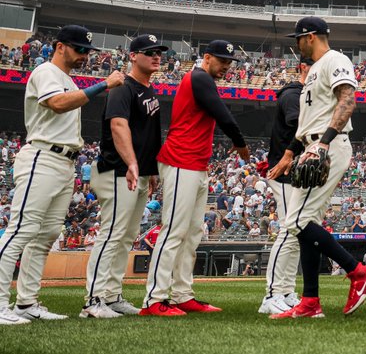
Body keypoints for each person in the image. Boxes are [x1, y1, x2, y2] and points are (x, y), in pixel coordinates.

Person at [0, 25, 123, 325]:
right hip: (42, 156)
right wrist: (103, 86)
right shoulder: (45, 71)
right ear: (60, 46)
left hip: (64, 161)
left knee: (44, 236)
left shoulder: (67, 79)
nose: (84, 55)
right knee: (21, 231)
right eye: (79, 49)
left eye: (86, 51)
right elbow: (56, 104)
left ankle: (26, 302)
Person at [268, 16, 366, 319]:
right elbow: (306, 123)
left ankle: (358, 272)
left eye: (298, 38)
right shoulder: (314, 71)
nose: (296, 44)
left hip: (329, 145)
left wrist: (324, 142)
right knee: (305, 227)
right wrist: (289, 153)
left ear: (311, 36)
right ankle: (310, 301)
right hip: (311, 146)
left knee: (297, 222)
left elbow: (348, 99)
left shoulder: (334, 59)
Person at [143, 40, 250, 316]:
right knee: (174, 231)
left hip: (195, 164)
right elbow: (223, 114)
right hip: (181, 160)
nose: (226, 66)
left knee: (191, 234)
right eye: (222, 60)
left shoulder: (204, 79)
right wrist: (239, 142)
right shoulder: (199, 76)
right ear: (206, 57)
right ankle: (153, 299)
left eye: (229, 62)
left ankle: (181, 294)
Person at [81, 34, 168, 319]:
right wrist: (131, 163)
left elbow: (150, 136)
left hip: (139, 172)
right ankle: (93, 300)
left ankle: (111, 295)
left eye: (159, 52)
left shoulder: (149, 90)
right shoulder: (122, 87)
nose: (156, 56)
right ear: (133, 56)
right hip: (118, 170)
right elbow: (118, 126)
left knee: (126, 235)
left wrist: (151, 169)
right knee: (112, 234)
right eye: (149, 52)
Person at [258, 57, 310, 315]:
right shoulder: (293, 94)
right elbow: (300, 125)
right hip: (284, 170)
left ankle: (286, 290)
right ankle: (271, 294)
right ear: (303, 67)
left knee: (297, 233)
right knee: (289, 230)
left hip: (296, 172)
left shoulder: (307, 94)